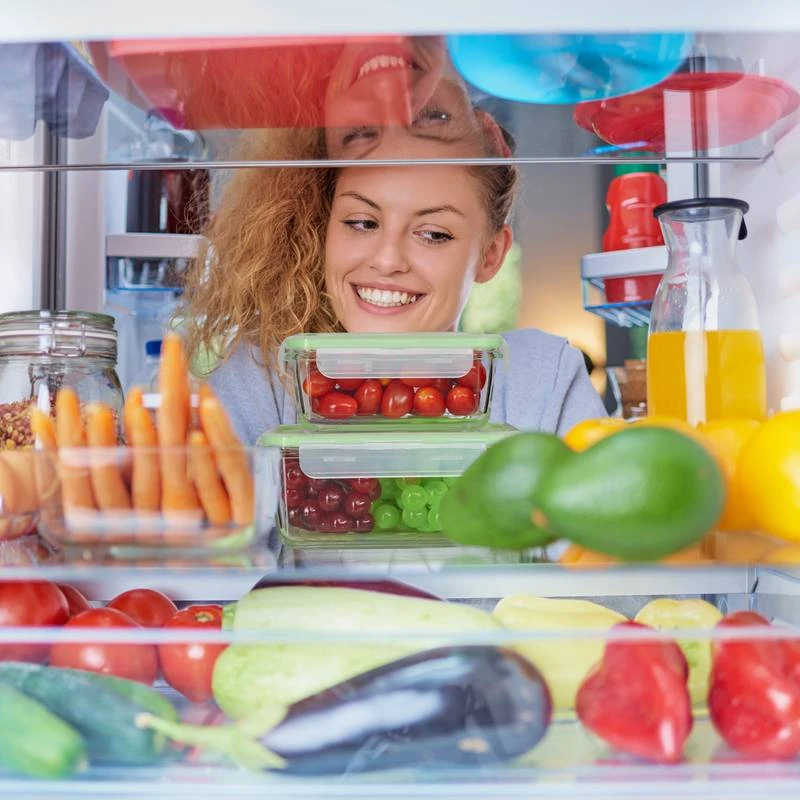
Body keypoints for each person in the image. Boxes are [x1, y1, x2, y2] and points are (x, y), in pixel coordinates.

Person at [182, 44, 605, 444]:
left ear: (491, 255)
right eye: (362, 222)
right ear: (322, 227)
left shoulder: (541, 376)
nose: (387, 260)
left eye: (434, 234)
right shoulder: (257, 379)